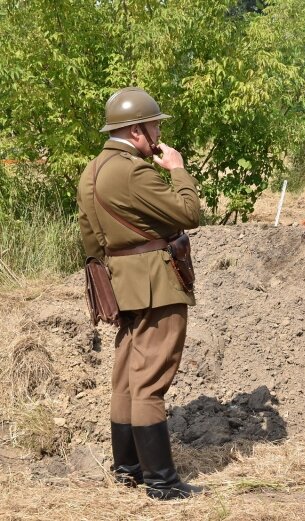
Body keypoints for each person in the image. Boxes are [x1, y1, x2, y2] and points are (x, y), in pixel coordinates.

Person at [76, 87, 203, 498]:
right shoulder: (133, 170)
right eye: (154, 126)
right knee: (150, 382)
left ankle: (128, 469)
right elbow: (188, 213)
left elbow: (92, 242)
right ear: (136, 131)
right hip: (156, 283)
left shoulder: (92, 170)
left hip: (121, 283)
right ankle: (161, 483)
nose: (158, 133)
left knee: (127, 379)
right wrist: (177, 169)